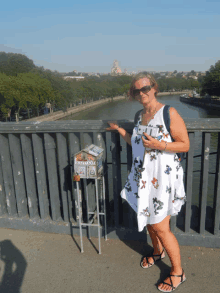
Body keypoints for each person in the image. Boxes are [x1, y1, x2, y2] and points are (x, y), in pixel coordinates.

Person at [106, 72, 190, 292]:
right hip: (144, 178)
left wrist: (160, 145)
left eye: (145, 88)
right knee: (149, 218)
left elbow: (184, 145)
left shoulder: (168, 112)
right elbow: (136, 142)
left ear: (154, 88)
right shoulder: (139, 115)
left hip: (163, 179)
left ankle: (178, 272)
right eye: (137, 90)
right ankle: (157, 251)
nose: (141, 93)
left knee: (161, 226)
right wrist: (120, 130)